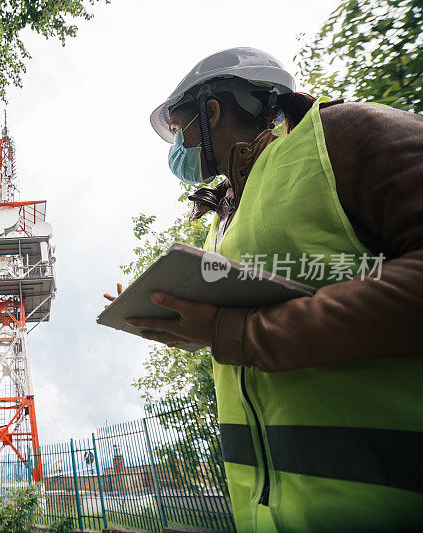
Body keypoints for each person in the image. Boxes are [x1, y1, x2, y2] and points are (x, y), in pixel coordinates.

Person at [105, 48, 423, 531]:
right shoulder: (228, 214)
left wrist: (238, 332)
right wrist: (187, 320)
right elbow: (249, 327)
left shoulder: (342, 136)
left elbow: (248, 332)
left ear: (211, 111)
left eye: (178, 129)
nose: (176, 147)